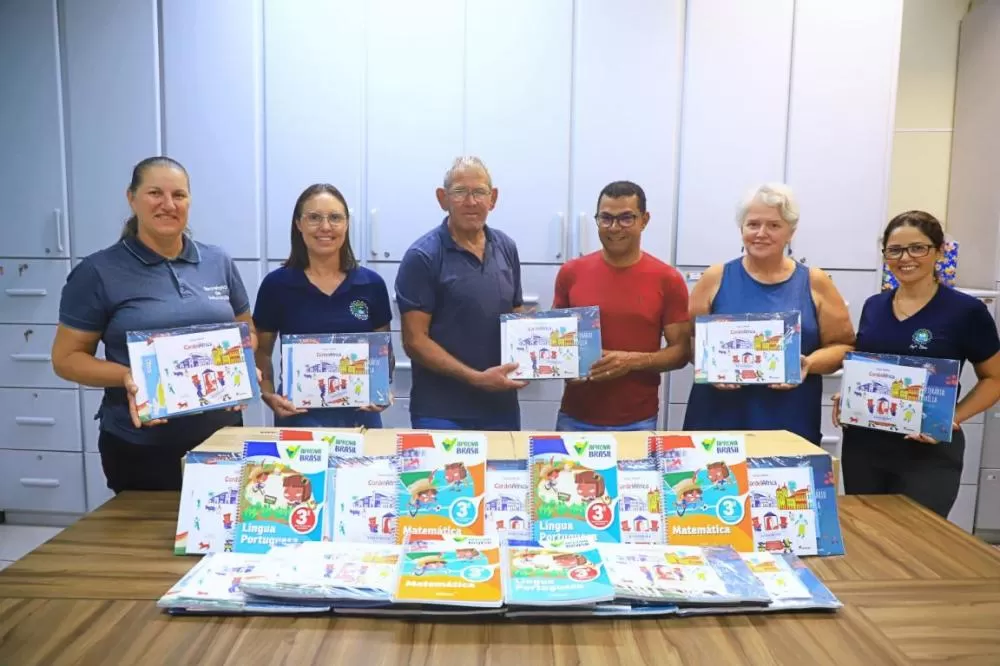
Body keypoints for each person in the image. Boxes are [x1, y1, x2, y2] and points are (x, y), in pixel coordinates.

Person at [51, 156, 254, 493]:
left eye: (179, 195)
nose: (168, 205)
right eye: (155, 193)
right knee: (145, 544)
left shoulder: (218, 260)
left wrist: (242, 364)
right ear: (132, 198)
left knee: (223, 538)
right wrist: (129, 376)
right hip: (142, 447)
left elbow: (245, 329)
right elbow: (66, 359)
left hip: (224, 438)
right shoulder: (98, 271)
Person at [834, 211, 1000, 517]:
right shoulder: (874, 306)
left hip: (928, 452)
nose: (905, 258)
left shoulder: (966, 311)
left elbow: (994, 378)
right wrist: (848, 397)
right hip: (865, 448)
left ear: (938, 252)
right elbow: (872, 368)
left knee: (919, 544)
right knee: (869, 537)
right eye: (894, 250)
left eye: (918, 248)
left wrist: (955, 417)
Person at [683, 183, 855, 444]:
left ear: (791, 232)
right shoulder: (715, 277)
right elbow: (691, 339)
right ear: (741, 228)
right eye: (753, 224)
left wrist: (808, 364)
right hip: (718, 416)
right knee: (717, 484)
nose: (761, 233)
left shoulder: (814, 281)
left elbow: (843, 345)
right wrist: (710, 367)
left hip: (788, 417)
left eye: (774, 225)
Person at [395, 156, 527, 431]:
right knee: (443, 477)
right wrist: (476, 378)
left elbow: (516, 315)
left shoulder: (506, 247)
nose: (471, 201)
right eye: (460, 192)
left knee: (502, 476)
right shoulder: (423, 256)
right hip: (441, 413)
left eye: (479, 192)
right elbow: (415, 341)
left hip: (500, 408)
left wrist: (540, 345)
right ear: (443, 198)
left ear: (493, 198)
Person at [552, 181, 690, 431]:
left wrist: (632, 362)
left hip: (637, 421)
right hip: (575, 417)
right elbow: (555, 342)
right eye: (606, 218)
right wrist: (563, 366)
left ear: (644, 220)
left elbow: (680, 352)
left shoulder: (667, 279)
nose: (614, 228)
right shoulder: (570, 273)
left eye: (626, 218)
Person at [253, 184, 392, 428]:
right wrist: (268, 395)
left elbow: (383, 352)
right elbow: (262, 352)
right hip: (300, 418)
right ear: (298, 224)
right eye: (314, 218)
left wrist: (381, 389)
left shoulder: (371, 284)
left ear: (347, 224)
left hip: (362, 418)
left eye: (335, 218)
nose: (325, 227)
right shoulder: (276, 285)